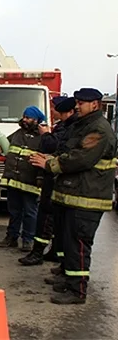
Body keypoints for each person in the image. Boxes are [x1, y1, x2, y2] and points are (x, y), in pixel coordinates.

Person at [31, 88, 116, 304]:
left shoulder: (99, 129)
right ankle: (70, 280)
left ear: (95, 104)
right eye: (77, 102)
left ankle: (77, 291)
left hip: (87, 197)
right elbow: (68, 151)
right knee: (68, 242)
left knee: (78, 243)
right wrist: (51, 157)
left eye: (81, 103)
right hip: (74, 195)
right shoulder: (84, 125)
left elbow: (81, 159)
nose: (76, 106)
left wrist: (49, 164)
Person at [19, 96, 77, 266]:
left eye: (55, 109)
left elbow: (57, 149)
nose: (51, 111)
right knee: (53, 217)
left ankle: (37, 252)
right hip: (53, 176)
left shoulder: (68, 128)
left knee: (45, 216)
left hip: (57, 178)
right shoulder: (64, 127)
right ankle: (55, 253)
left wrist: (46, 136)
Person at [0, 106, 46, 252]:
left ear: (36, 120)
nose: (24, 120)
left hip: (30, 181)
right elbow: (6, 147)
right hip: (13, 180)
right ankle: (11, 238)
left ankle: (28, 240)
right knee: (14, 211)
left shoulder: (42, 138)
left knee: (30, 212)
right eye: (24, 117)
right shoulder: (18, 133)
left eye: (28, 118)